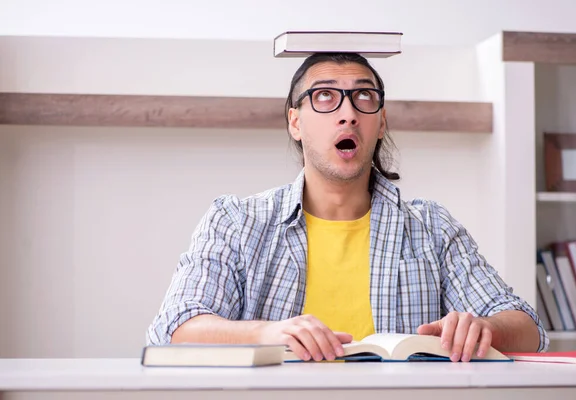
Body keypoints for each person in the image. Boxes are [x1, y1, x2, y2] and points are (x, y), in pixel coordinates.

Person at [147, 52, 548, 363]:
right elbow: (176, 326)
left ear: (382, 121)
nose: (348, 113)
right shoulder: (236, 221)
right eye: (325, 96)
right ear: (295, 122)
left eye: (364, 97)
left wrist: (483, 329)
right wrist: (266, 334)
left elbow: (528, 327)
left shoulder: (432, 227)